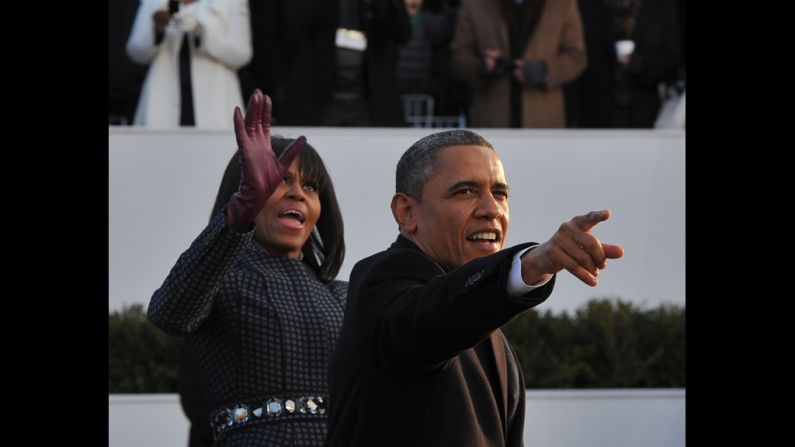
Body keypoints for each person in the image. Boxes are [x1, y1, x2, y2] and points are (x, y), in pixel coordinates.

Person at [325, 129, 624, 446]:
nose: (492, 209)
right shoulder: (382, 278)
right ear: (406, 212)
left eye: (500, 193)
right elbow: (431, 319)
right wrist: (533, 263)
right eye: (465, 192)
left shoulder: (484, 320)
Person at [148, 89, 347, 446]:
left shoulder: (343, 294)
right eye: (281, 179)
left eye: (311, 186)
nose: (298, 193)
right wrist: (240, 212)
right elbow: (169, 314)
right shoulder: (217, 281)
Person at [451, 0, 587, 128]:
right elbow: (459, 55)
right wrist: (480, 68)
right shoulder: (474, 3)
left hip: (544, 123)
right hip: (491, 121)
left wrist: (544, 71)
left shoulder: (562, 3)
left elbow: (576, 56)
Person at [126, 0, 252, 129]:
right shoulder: (153, 2)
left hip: (216, 102)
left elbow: (242, 54)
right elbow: (135, 52)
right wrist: (157, 30)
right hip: (162, 101)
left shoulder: (233, 2)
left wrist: (201, 32)